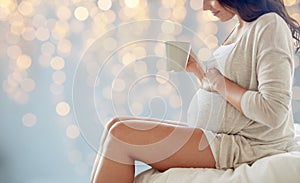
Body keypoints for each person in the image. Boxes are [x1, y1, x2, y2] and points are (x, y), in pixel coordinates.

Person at [90, 0, 300, 182]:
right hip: (220, 136)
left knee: (120, 136)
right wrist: (198, 71)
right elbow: (227, 91)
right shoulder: (240, 26)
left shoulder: (269, 25)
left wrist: (219, 83)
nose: (203, 6)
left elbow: (273, 111)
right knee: (113, 126)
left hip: (246, 145)